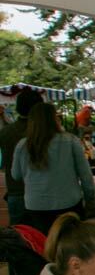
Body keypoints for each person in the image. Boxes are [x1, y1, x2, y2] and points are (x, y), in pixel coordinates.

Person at [11, 103, 95, 236]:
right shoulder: (71, 141)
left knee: (42, 242)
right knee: (70, 242)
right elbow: (85, 175)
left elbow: (15, 174)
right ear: (54, 119)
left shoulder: (23, 145)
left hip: (36, 205)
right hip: (69, 202)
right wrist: (91, 199)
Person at [0, 87, 38, 224]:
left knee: (19, 234)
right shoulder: (47, 134)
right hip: (43, 195)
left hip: (15, 192)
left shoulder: (6, 132)